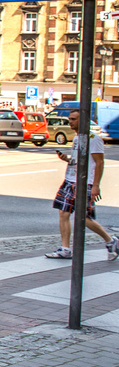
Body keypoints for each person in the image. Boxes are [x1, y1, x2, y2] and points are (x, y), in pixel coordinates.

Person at [47, 109, 117, 260]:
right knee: (63, 212)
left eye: (73, 119)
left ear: (82, 120)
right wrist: (67, 159)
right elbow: (80, 160)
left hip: (84, 182)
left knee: (83, 218)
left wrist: (95, 185)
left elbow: (99, 162)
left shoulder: (93, 138)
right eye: (70, 119)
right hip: (70, 179)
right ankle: (65, 248)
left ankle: (111, 241)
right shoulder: (78, 138)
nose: (70, 122)